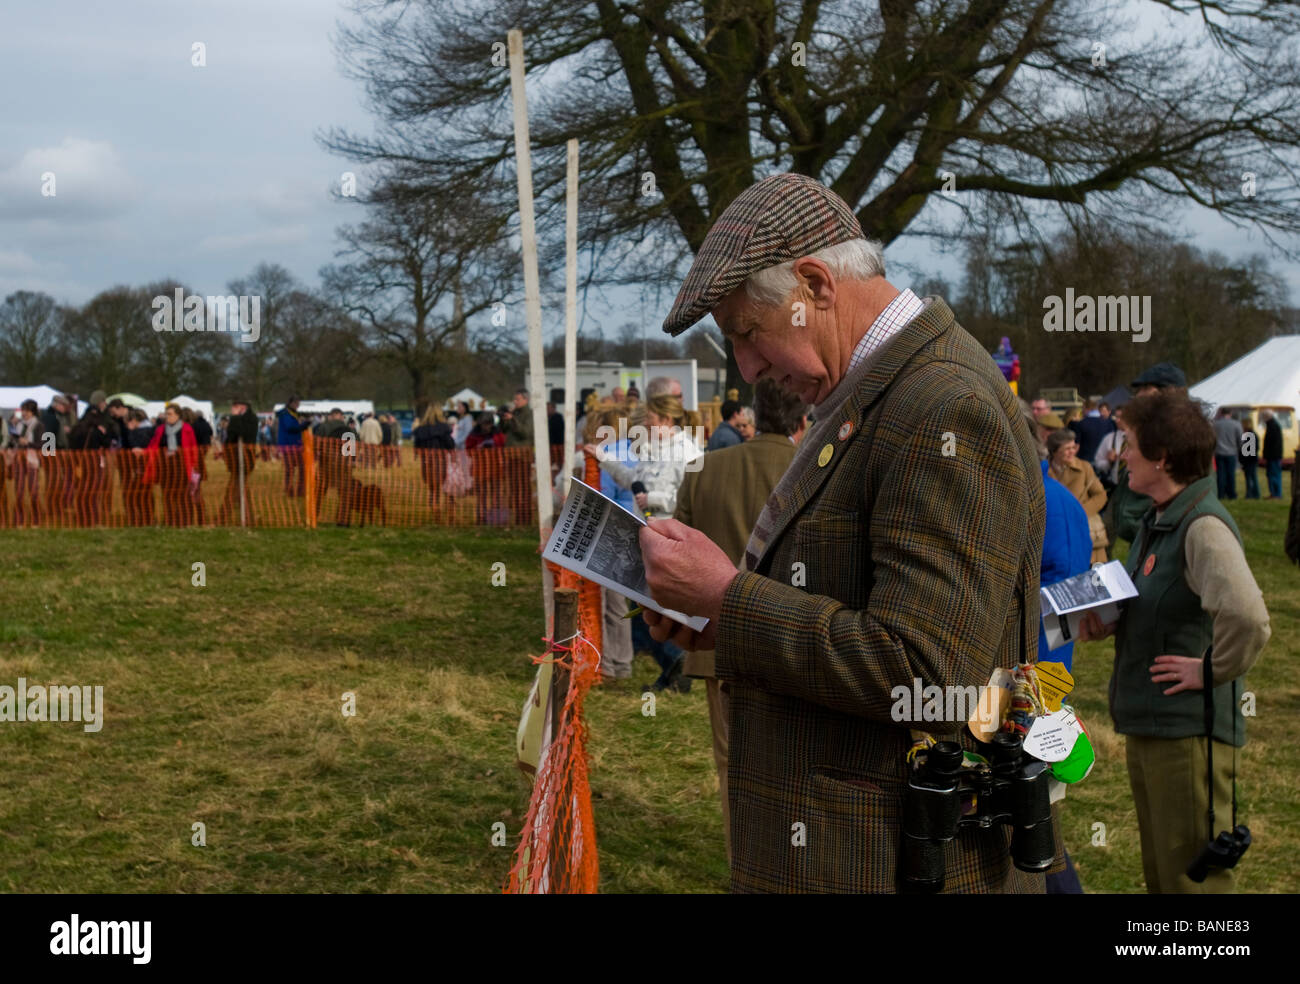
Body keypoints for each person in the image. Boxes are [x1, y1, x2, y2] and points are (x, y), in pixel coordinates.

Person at [638, 172, 1048, 893]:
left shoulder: (941, 405)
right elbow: (853, 602)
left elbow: (929, 673)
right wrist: (718, 622)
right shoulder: (881, 393)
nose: (748, 368)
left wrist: (731, 600)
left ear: (816, 285)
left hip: (884, 860)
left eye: (746, 334)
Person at [1077, 390, 1270, 894]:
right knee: (1165, 878)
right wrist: (1112, 618)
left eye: (1132, 444)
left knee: (1193, 886)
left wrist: (1208, 670)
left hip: (1189, 735)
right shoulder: (1160, 518)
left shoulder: (1202, 527)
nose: (1122, 455)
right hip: (1156, 728)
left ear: (1162, 458)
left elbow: (1248, 617)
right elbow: (1161, 597)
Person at [673, 378, 808, 862]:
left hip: (719, 639)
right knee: (798, 763)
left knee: (732, 761)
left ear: (753, 413)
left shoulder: (705, 467)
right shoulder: (815, 466)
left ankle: (744, 863)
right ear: (802, 419)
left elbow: (677, 554)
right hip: (799, 645)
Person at [585, 392, 703, 693]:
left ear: (665, 419)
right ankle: (673, 668)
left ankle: (678, 665)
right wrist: (604, 459)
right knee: (647, 603)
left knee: (658, 603)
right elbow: (630, 478)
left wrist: (655, 498)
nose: (645, 427)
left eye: (649, 421)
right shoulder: (652, 448)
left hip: (672, 535)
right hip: (647, 533)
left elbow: (693, 496)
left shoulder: (688, 451)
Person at [1110, 362, 1187, 547]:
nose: (1138, 395)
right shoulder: (1150, 427)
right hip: (1143, 530)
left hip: (1161, 533)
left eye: (1146, 388)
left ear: (1168, 391)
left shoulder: (1181, 432)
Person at [1047, 428, 1109, 564]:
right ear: (1055, 451)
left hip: (1085, 531)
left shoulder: (1084, 468)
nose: (1072, 452)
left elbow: (1100, 495)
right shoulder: (1044, 471)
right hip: (1056, 532)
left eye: (1073, 447)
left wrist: (1080, 512)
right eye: (1067, 448)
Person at [142, 403, 199, 526]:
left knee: (183, 495)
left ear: (178, 415)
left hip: (182, 467)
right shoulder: (161, 429)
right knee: (167, 494)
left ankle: (185, 521)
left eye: (170, 414)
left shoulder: (187, 429)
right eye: (166, 414)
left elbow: (193, 448)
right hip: (165, 467)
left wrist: (193, 464)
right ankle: (170, 520)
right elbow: (153, 444)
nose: (167, 417)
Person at [217, 399, 259, 525]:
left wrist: (235, 417)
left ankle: (223, 517)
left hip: (244, 459)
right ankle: (248, 516)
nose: (232, 409)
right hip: (235, 458)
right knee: (239, 489)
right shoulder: (240, 417)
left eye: (235, 406)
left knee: (234, 489)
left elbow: (241, 433)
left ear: (242, 406)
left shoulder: (251, 418)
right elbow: (231, 434)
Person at [413, 404, 456, 518]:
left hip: (426, 461)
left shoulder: (421, 430)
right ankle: (450, 508)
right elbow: (450, 444)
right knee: (446, 485)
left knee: (433, 488)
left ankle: (435, 509)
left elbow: (417, 446)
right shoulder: (443, 428)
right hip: (440, 460)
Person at [500, 388, 534, 525]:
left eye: (518, 399)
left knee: (524, 488)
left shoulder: (529, 414)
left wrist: (513, 419)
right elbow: (503, 430)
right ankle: (517, 519)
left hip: (523, 456)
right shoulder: (514, 412)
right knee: (514, 488)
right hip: (512, 455)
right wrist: (505, 419)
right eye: (514, 399)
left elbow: (525, 433)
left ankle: (525, 518)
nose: (515, 402)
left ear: (526, 400)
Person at [465, 411, 506, 525]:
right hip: (480, 468)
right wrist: (478, 448)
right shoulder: (473, 435)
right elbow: (468, 450)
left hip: (496, 467)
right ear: (480, 424)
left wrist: (494, 447)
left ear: (492, 423)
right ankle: (481, 518)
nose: (486, 427)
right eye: (484, 424)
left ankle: (495, 518)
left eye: (488, 424)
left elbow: (504, 447)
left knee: (496, 493)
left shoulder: (498, 434)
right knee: (481, 494)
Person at [12, 399, 44, 527]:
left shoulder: (39, 425)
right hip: (19, 459)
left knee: (33, 491)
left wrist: (28, 444)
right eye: (23, 410)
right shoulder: (17, 424)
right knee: (18, 491)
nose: (24, 413)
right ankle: (19, 520)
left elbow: (42, 444)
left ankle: (36, 520)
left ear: (32, 412)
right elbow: (13, 440)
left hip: (32, 460)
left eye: (27, 411)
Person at [276, 397, 308, 496]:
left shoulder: (292, 414)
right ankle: (289, 490)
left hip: (296, 444)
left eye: (298, 403)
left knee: (301, 468)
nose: (297, 405)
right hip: (288, 445)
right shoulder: (285, 414)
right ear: (290, 403)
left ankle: (300, 490)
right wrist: (303, 425)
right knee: (290, 469)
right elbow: (290, 427)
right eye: (296, 403)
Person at [1069, 398, 1114, 466]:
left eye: (1083, 408)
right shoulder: (1109, 423)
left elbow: (1077, 445)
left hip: (1085, 461)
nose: (1082, 411)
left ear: (1086, 408)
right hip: (1103, 462)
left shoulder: (1081, 424)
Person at [1211, 407, 1242, 500]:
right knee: (1231, 474)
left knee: (1220, 474)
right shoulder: (1236, 424)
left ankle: (1220, 493)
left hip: (1219, 452)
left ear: (1221, 413)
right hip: (1231, 452)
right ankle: (1231, 493)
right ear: (1230, 413)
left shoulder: (1215, 424)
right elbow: (1240, 438)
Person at [1260, 409, 1284, 499]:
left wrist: (1266, 455)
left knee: (1273, 475)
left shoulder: (1272, 426)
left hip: (1273, 456)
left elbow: (1271, 443)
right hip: (1275, 456)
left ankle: (1276, 494)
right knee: (1274, 474)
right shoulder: (1274, 425)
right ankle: (1275, 493)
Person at [1239, 416, 1260, 500]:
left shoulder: (1247, 435)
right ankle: (1256, 493)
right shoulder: (1254, 435)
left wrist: (1242, 459)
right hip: (1253, 459)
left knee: (1249, 478)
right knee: (1253, 477)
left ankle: (1250, 494)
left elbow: (1245, 450)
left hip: (1248, 460)